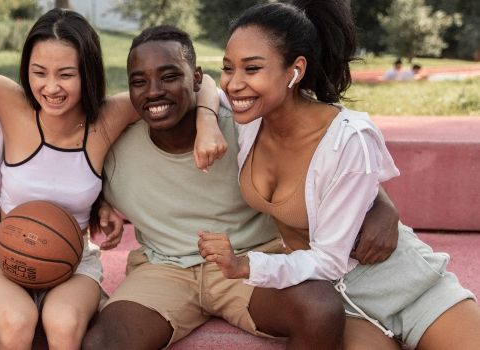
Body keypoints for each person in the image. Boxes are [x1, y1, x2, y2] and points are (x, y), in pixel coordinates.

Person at [0, 9, 226, 349]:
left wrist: (208, 123)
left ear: (87, 73)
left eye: (66, 74)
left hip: (74, 259)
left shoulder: (106, 119)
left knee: (62, 322)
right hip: (1, 254)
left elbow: (206, 82)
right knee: (17, 320)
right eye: (39, 73)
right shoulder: (10, 103)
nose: (51, 87)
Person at [82, 25, 400, 350]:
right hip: (164, 268)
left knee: (319, 309)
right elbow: (70, 179)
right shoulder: (116, 147)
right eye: (139, 81)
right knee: (102, 342)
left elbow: (327, 152)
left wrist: (380, 202)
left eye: (169, 76)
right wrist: (100, 204)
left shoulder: (244, 123)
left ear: (196, 78)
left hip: (252, 259)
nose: (153, 91)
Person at [201, 1, 480, 349]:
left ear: (295, 70)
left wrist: (245, 265)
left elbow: (329, 259)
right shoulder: (252, 118)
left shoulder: (348, 137)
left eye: (252, 68)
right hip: (344, 304)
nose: (234, 83)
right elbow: (202, 86)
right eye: (229, 68)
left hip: (406, 287)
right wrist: (206, 123)